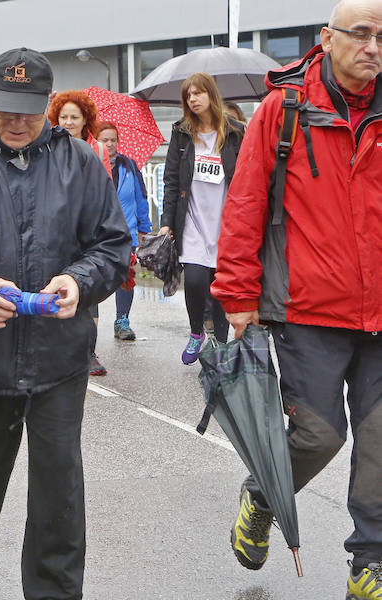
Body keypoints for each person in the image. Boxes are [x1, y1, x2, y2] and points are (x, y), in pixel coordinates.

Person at [0, 47, 130, 600]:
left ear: (49, 105)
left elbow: (112, 246)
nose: (15, 123)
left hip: (60, 357)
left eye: (29, 112)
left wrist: (79, 283)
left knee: (59, 492)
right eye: (5, 110)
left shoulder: (81, 162)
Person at [213, 1, 382, 596]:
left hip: (381, 310)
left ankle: (370, 561)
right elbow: (245, 203)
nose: (373, 47)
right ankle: (263, 496)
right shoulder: (285, 109)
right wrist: (236, 292)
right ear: (327, 37)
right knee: (320, 434)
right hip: (308, 309)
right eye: (361, 34)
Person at [159, 71, 244, 364]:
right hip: (192, 221)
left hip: (225, 223)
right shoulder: (181, 132)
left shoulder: (235, 131)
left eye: (198, 93)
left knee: (220, 285)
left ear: (211, 95)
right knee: (195, 280)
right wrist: (167, 222)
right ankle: (197, 332)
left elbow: (247, 177)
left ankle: (220, 342)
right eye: (188, 95)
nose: (193, 99)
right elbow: (171, 180)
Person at [47, 89, 113, 376]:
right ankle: (58, 345)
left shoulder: (98, 149)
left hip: (88, 227)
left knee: (88, 287)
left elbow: (107, 187)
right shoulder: (48, 148)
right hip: (58, 226)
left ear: (86, 119)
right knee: (59, 283)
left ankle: (89, 351)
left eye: (75, 116)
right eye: (64, 116)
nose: (69, 122)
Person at [96, 121, 152, 340]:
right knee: (95, 277)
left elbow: (140, 198)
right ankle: (90, 324)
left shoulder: (129, 165)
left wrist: (144, 228)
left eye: (113, 140)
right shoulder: (91, 163)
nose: (109, 144)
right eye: (104, 140)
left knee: (125, 275)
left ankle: (122, 321)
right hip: (98, 231)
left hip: (126, 231)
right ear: (96, 141)